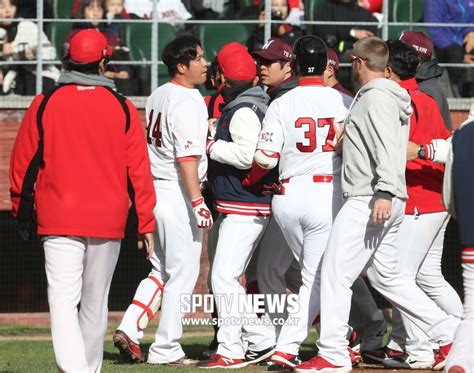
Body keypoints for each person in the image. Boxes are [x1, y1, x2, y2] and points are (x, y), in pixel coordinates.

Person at [293, 36, 459, 373]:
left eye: (352, 60)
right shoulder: (382, 96)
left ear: (358, 62)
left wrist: (383, 191)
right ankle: (450, 332)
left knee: (335, 273)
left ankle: (333, 353)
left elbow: (386, 148)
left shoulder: (376, 98)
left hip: (371, 197)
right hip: (385, 195)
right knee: (388, 278)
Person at [9, 28, 156, 372]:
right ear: (105, 60)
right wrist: (146, 221)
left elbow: (22, 166)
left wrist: (22, 211)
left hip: (58, 215)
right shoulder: (121, 106)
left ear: (67, 59)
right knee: (95, 303)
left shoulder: (45, 102)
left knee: (62, 301)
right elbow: (139, 170)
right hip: (108, 218)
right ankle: (86, 369)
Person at [249, 35, 348, 368]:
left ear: (292, 65)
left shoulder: (281, 102)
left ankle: (328, 336)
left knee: (314, 275)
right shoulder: (341, 102)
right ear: (326, 66)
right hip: (325, 193)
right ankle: (288, 346)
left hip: (287, 196)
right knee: (316, 276)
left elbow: (264, 159)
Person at [113, 35, 212, 366]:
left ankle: (130, 327)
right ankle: (166, 348)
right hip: (177, 190)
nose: (204, 63)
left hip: (157, 187)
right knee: (182, 273)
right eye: (198, 58)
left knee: (162, 269)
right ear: (181, 66)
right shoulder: (188, 99)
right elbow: (186, 157)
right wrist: (197, 201)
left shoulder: (158, 94)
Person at [380, 40, 463, 370]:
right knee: (427, 276)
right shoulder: (427, 98)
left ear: (390, 69)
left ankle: (422, 349)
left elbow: (409, 151)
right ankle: (461, 333)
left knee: (400, 278)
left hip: (418, 200)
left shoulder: (402, 100)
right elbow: (448, 141)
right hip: (435, 198)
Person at [197, 47, 276, 369]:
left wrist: (211, 144)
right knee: (225, 278)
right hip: (247, 204)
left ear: (224, 77)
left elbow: (248, 156)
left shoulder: (243, 109)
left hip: (245, 204)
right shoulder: (249, 104)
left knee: (224, 279)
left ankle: (232, 348)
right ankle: (260, 339)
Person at [444, 106, 474, 373]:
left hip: (470, 239)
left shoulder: (462, 136)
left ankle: (459, 362)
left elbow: (450, 198)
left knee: (472, 314)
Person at [67, 0, 136, 95]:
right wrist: (105, 73)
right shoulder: (76, 35)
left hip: (116, 78)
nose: (96, 12)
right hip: (91, 79)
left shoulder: (109, 35)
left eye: (99, 8)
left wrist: (125, 71)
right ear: (82, 11)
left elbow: (120, 56)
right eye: (91, 8)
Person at [0, 0, 60, 95]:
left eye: (11, 5)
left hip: (36, 75)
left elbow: (51, 52)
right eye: (2, 6)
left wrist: (34, 53)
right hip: (10, 80)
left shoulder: (27, 26)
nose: (8, 10)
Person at [399, 30, 453, 130]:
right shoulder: (423, 82)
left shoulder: (427, 90)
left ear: (417, 59)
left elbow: (428, 137)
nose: (396, 56)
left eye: (400, 53)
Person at [424, 0, 474, 97]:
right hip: (446, 45)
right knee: (455, 54)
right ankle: (460, 97)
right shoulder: (434, 2)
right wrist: (463, 55)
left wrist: (471, 32)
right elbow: (435, 30)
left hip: (466, 40)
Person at [309, 0, 379, 61]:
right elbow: (323, 31)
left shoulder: (361, 12)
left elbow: (372, 32)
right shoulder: (325, 7)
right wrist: (352, 33)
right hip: (334, 53)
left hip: (359, 52)